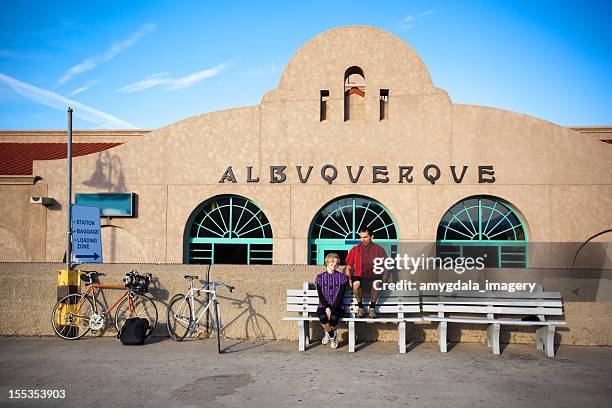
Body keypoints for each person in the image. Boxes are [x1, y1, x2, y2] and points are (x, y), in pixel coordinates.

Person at [344, 227, 389, 318]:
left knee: (377, 282)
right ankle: (360, 307)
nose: (362, 239)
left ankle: (372, 308)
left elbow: (386, 266)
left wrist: (385, 277)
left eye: (365, 237)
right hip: (360, 276)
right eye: (361, 237)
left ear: (371, 237)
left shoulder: (379, 249)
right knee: (356, 283)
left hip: (373, 276)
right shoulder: (355, 249)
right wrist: (349, 279)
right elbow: (348, 267)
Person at [315, 253, 347, 349]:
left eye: (336, 263)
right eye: (332, 263)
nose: (334, 265)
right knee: (322, 316)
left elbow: (341, 296)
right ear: (327, 262)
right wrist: (327, 307)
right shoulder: (320, 277)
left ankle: (327, 332)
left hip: (338, 306)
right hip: (323, 305)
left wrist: (332, 308)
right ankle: (332, 336)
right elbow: (320, 295)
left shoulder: (342, 278)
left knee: (333, 318)